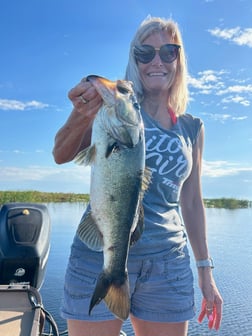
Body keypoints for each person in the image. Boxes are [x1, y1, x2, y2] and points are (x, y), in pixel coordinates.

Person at [53, 16, 223, 336]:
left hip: (168, 264)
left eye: (168, 52)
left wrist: (205, 269)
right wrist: (82, 114)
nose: (156, 61)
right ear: (135, 59)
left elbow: (192, 200)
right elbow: (61, 154)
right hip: (97, 256)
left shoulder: (192, 127)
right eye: (145, 53)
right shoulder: (115, 107)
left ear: (179, 60)